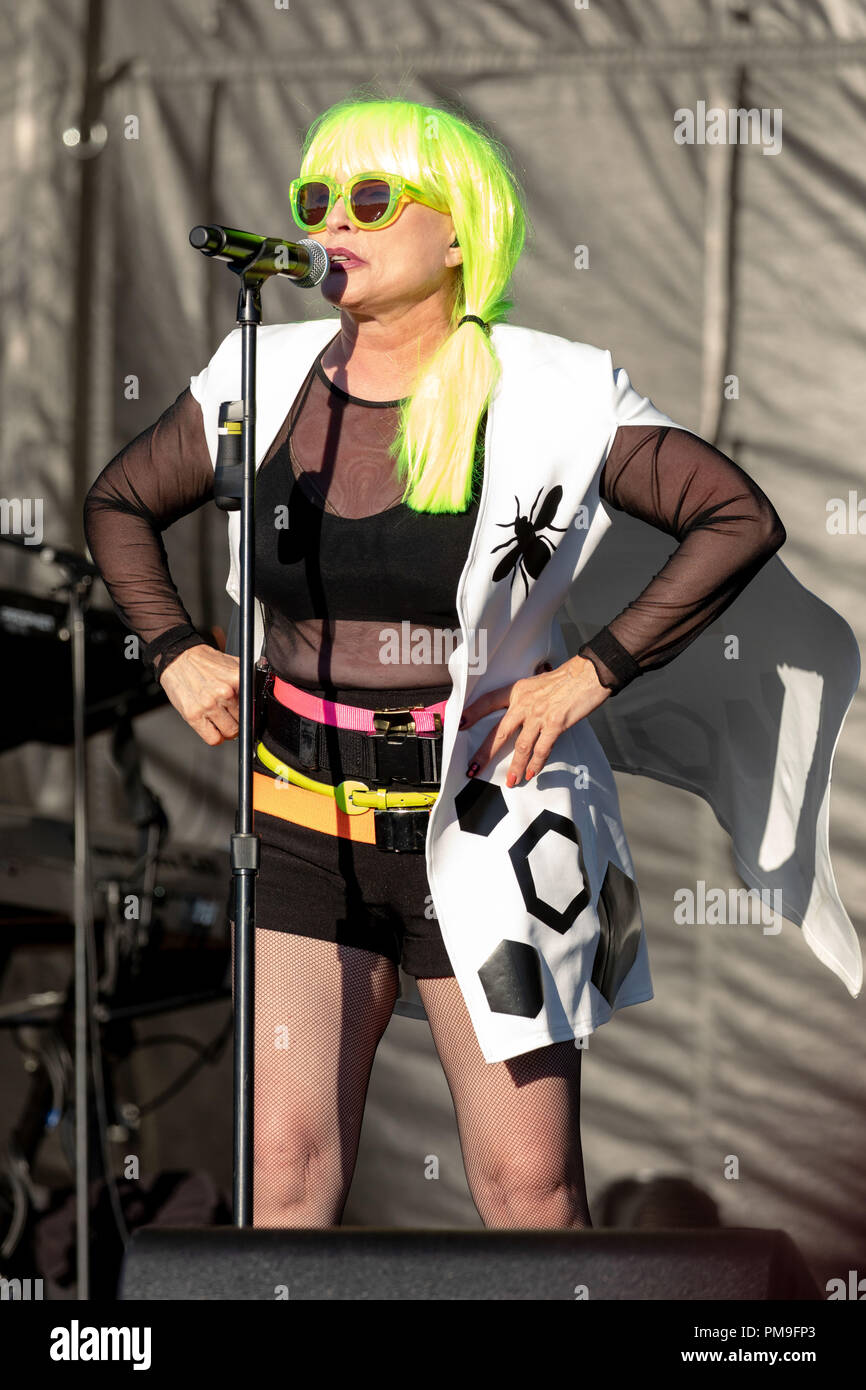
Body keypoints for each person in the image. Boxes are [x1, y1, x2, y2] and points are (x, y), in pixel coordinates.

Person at [83, 95, 788, 1231]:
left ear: (457, 229)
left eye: (372, 199)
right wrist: (170, 649)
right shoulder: (257, 370)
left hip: (488, 814)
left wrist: (592, 671)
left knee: (526, 1188)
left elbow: (734, 516)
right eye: (317, 201)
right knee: (285, 1176)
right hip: (302, 813)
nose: (334, 225)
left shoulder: (553, 387)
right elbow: (119, 499)